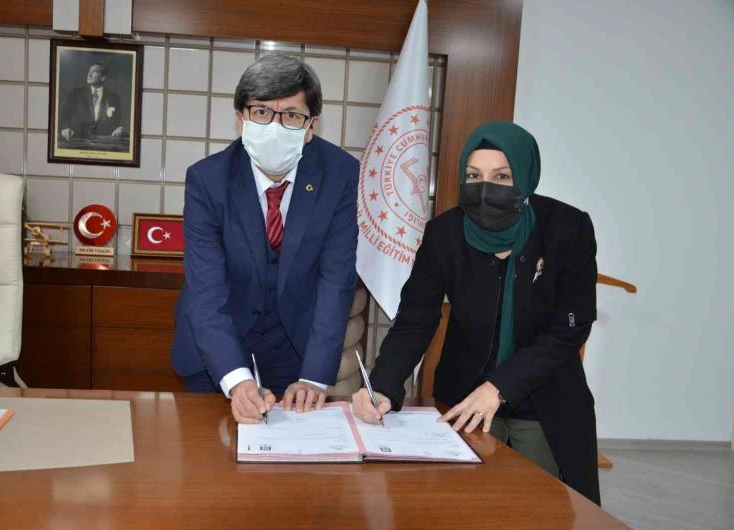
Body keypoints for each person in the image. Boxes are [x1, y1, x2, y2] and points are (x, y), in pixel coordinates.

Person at [351, 121, 601, 505]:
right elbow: (416, 318)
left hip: (545, 398)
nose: (485, 188)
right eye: (473, 176)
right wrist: (383, 385)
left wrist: (498, 388)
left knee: (540, 508)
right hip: (464, 396)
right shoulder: (445, 234)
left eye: (501, 176)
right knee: (457, 506)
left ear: (525, 176)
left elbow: (569, 329)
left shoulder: (568, 229)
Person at [171, 54, 359, 424]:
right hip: (215, 358)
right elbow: (205, 292)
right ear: (240, 118)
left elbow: (336, 281)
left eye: (291, 115)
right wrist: (236, 379)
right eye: (261, 112)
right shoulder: (208, 181)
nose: (274, 125)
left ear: (310, 126)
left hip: (296, 354)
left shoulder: (339, 175)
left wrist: (315, 376)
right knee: (208, 454)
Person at [59, 63, 124, 141]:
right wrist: (65, 128)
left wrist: (118, 129)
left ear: (103, 77)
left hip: (104, 142)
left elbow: (117, 122)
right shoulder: (76, 93)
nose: (89, 75)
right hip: (77, 140)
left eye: (94, 72)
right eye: (89, 72)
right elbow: (65, 115)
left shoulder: (113, 97)